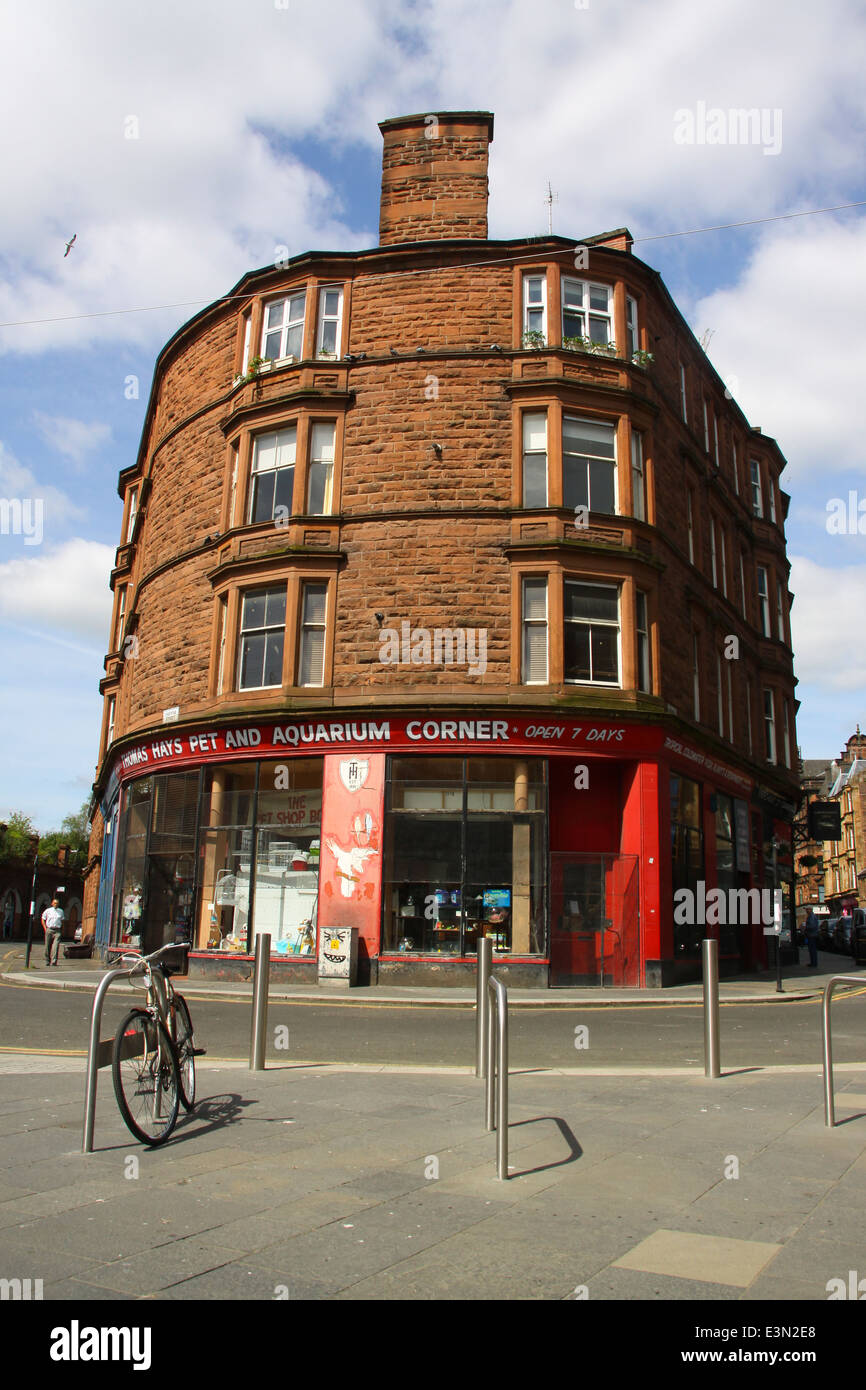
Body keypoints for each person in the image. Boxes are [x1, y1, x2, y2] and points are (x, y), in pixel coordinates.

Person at [41, 898, 64, 966]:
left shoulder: (61, 911)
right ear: (52, 903)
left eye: (57, 903)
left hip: (57, 931)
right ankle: (47, 960)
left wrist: (61, 928)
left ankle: (54, 961)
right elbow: (43, 919)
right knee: (47, 946)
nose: (55, 904)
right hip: (49, 929)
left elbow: (62, 920)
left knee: (55, 946)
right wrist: (45, 928)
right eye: (54, 903)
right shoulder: (48, 911)